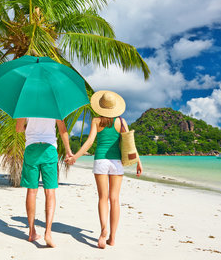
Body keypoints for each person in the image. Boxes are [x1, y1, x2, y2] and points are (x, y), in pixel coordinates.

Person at [66, 90, 143, 249]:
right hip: (116, 163)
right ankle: (112, 238)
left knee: (103, 198)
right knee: (114, 199)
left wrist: (75, 157)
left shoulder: (96, 121)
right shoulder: (121, 121)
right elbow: (129, 144)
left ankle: (103, 231)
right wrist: (138, 162)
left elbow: (89, 142)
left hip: (100, 160)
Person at [16, 117, 73, 248]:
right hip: (49, 149)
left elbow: (18, 129)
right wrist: (68, 151)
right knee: (50, 191)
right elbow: (63, 130)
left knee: (31, 190)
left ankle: (31, 231)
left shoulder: (26, 103)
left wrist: (29, 130)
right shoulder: (54, 104)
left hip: (31, 148)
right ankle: (48, 232)